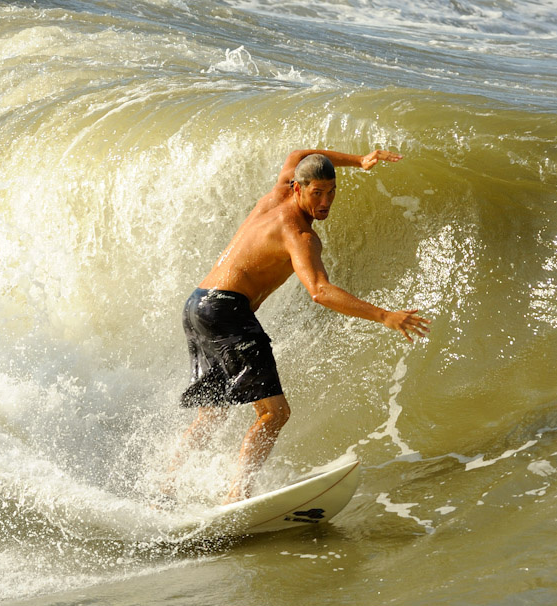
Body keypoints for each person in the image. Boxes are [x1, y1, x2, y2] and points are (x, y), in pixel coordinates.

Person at [167, 148, 430, 503]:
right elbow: (320, 291)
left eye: (331, 192)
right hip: (226, 310)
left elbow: (301, 152)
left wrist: (359, 161)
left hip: (197, 305)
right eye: (316, 193)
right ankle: (236, 497)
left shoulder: (275, 195)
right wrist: (385, 316)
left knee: (211, 415)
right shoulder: (300, 235)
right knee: (275, 414)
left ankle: (164, 489)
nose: (325, 202)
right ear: (298, 188)